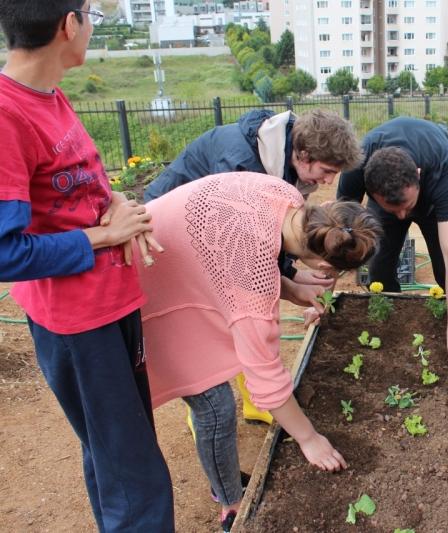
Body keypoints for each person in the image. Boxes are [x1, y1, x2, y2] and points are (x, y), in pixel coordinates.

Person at [0, 2, 174, 531]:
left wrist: (117, 203)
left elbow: (74, 190)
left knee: (117, 457)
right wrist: (106, 234)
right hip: (78, 324)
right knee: (137, 479)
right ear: (69, 25)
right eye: (91, 15)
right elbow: (7, 252)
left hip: (110, 306)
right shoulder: (7, 115)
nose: (92, 27)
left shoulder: (50, 96)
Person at [139, 172, 381, 531]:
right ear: (325, 267)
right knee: (214, 405)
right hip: (140, 282)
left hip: (159, 255)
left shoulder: (282, 193)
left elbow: (231, 251)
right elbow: (265, 377)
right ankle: (232, 503)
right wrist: (309, 439)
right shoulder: (253, 277)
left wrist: (288, 286)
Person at [144, 108, 364, 424]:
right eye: (327, 170)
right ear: (302, 153)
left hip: (209, 238)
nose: (330, 180)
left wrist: (290, 277)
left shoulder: (284, 156)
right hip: (167, 245)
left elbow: (277, 233)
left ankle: (255, 401)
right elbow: (243, 261)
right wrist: (289, 284)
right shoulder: (241, 163)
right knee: (220, 328)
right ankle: (208, 407)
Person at [337, 117, 448, 372]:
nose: (403, 217)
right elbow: (339, 235)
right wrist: (322, 296)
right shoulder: (357, 165)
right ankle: (391, 326)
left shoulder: (439, 168)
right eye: (395, 209)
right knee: (379, 267)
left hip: (433, 203)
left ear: (418, 175)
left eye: (407, 208)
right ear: (369, 187)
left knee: (447, 270)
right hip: (387, 199)